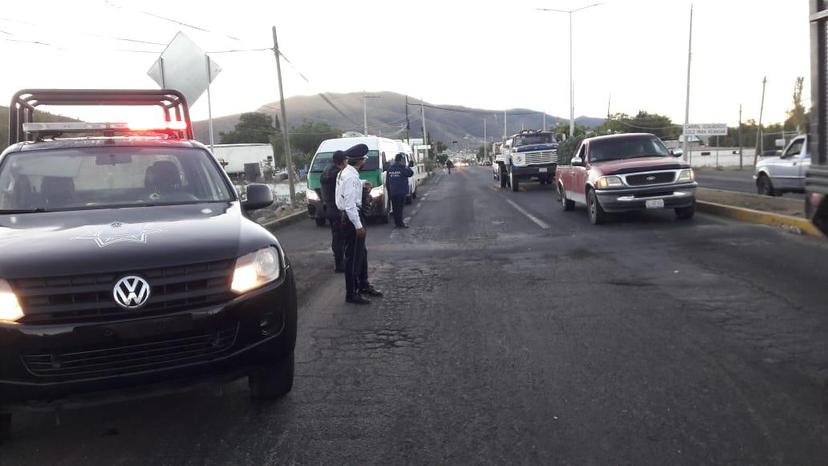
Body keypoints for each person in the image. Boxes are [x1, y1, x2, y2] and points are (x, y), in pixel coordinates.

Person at [335, 144, 384, 305]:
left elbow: (348, 188)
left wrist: (362, 183)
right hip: (351, 218)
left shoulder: (347, 173)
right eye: (364, 159)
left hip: (349, 216)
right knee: (353, 258)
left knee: (361, 254)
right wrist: (358, 226)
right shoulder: (350, 177)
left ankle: (363, 284)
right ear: (361, 161)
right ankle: (352, 293)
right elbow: (349, 204)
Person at [320, 150, 347, 272]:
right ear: (342, 161)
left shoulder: (326, 171)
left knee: (336, 236)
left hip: (329, 208)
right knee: (340, 237)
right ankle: (340, 264)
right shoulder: (339, 174)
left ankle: (338, 261)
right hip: (338, 209)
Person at [386, 153, 414, 228]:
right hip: (401, 192)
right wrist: (407, 166)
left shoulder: (390, 169)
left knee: (395, 209)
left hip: (393, 192)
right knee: (400, 209)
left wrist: (389, 192)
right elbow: (410, 173)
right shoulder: (402, 168)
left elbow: (387, 182)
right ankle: (400, 224)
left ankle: (397, 224)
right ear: (401, 159)